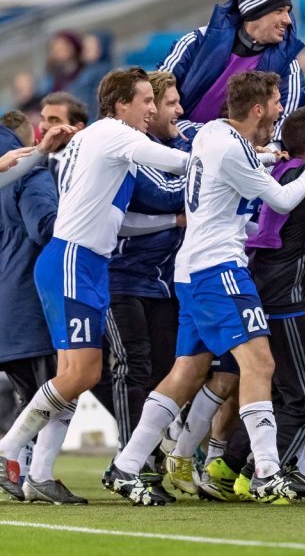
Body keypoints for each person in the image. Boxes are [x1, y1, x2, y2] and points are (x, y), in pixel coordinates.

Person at [107, 71, 305, 506]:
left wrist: (267, 157)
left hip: (192, 268)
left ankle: (126, 465)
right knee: (260, 363)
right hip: (219, 269)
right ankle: (268, 472)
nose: (278, 115)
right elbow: (283, 201)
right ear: (257, 110)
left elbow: (242, 162)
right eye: (273, 106)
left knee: (188, 372)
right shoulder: (233, 149)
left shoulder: (213, 134)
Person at [0, 66, 189, 504]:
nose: (151, 109)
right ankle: (8, 449)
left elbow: (122, 221)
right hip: (73, 260)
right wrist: (238, 154)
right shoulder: (114, 135)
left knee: (74, 376)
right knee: (84, 372)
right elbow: (177, 162)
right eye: (146, 100)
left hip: (84, 261)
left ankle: (40, 474)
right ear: (121, 104)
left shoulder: (102, 140)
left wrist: (172, 219)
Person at [90, 71, 192, 455]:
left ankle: (152, 452)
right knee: (133, 367)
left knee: (164, 371)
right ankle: (134, 458)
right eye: (164, 103)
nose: (175, 110)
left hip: (162, 281)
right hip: (122, 277)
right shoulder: (130, 148)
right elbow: (162, 195)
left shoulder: (164, 145)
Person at [0, 112, 62, 500]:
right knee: (55, 393)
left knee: (31, 396)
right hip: (30, 304)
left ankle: (20, 473)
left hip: (9, 303)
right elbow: (46, 228)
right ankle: (31, 474)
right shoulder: (33, 177)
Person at [158, 0, 305, 141]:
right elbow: (158, 90)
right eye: (279, 11)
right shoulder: (199, 41)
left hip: (241, 153)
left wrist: (269, 151)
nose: (288, 20)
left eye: (288, 12)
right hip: (176, 139)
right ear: (255, 12)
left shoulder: (288, 65)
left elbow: (290, 122)